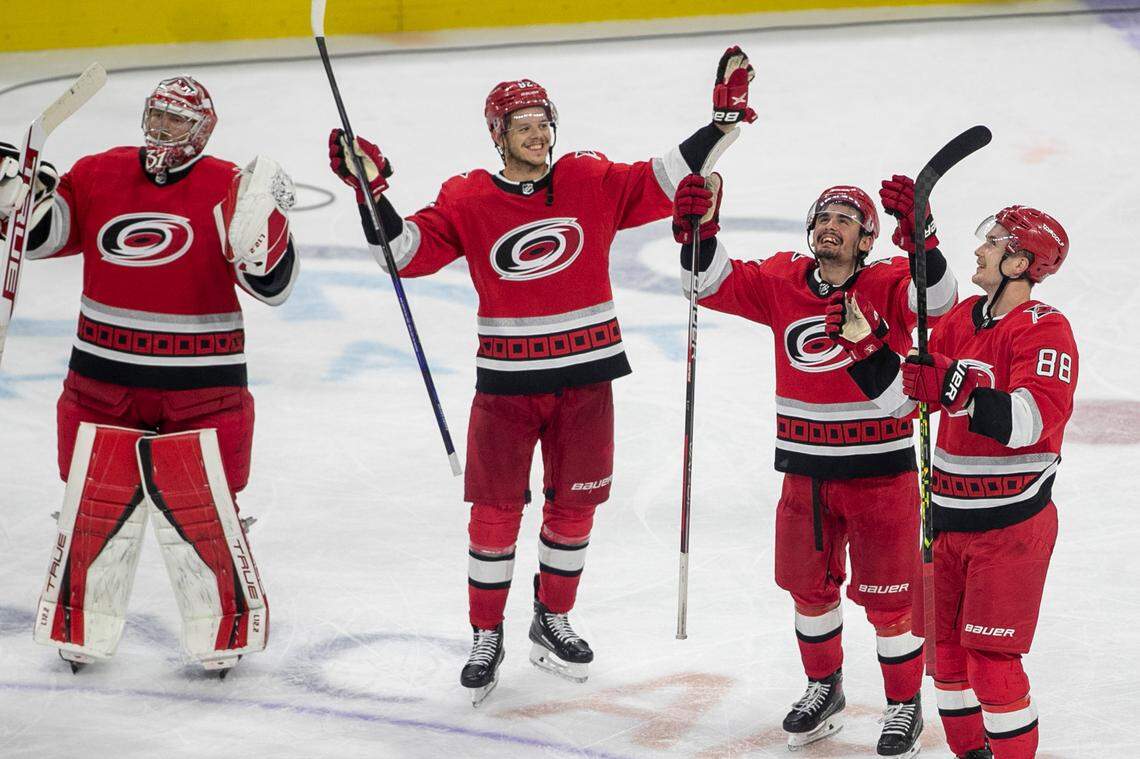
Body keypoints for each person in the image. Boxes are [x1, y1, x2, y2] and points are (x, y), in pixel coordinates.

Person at [327, 48, 756, 705]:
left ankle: (551, 616)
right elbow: (405, 253)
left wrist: (721, 125)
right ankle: (485, 633)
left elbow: (669, 177)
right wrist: (371, 192)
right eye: (522, 124)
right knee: (494, 513)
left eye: (543, 122)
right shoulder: (467, 195)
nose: (538, 133)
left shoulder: (591, 178)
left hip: (587, 377)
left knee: (575, 504)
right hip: (506, 385)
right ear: (496, 135)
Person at [0, 75, 298, 674]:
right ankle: (80, 625)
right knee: (92, 503)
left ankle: (224, 631)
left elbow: (276, 287)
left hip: (202, 386)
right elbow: (43, 239)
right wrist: (15, 197)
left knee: (204, 510)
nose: (163, 130)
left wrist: (266, 235)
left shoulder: (229, 187)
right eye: (157, 117)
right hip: (102, 377)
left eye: (178, 122)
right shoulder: (100, 171)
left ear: (203, 131)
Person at [672, 171, 959, 756]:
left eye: (845, 221)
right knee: (808, 589)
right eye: (823, 218)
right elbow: (706, 284)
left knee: (890, 601)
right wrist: (698, 231)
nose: (830, 227)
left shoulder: (888, 282)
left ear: (867, 238)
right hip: (804, 471)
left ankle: (903, 704)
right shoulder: (783, 280)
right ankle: (824, 689)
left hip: (881, 472)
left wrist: (924, 239)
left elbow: (940, 302)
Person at [828, 203, 1075, 759]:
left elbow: (1030, 423)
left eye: (993, 242)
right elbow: (906, 399)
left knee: (992, 662)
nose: (981, 250)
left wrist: (957, 385)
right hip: (946, 522)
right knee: (948, 665)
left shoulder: (1046, 328)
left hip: (1010, 524)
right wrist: (865, 348)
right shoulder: (963, 318)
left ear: (1019, 262)